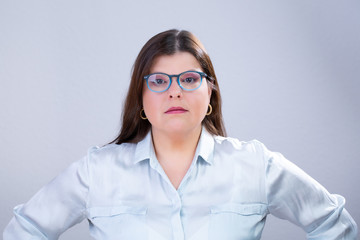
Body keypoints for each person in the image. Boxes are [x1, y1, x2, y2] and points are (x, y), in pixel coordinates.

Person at [3, 29, 358, 240]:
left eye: (189, 79)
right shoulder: (98, 172)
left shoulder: (255, 166)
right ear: (140, 98)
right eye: (158, 81)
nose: (174, 92)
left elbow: (334, 225)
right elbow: (24, 230)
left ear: (210, 94)